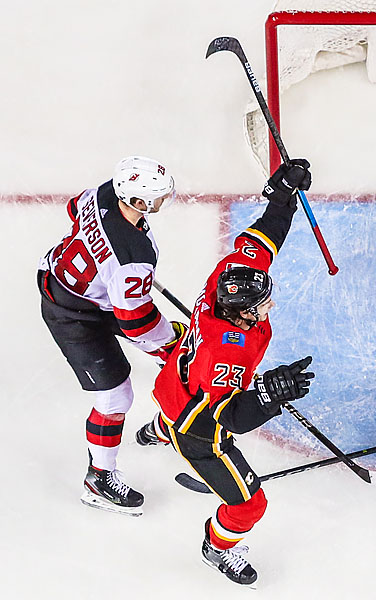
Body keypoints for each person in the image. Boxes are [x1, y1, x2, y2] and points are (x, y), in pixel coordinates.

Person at [136, 159, 315, 586]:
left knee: (181, 401)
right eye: (263, 305)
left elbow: (262, 241)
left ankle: (155, 432)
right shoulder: (225, 358)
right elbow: (225, 418)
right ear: (243, 314)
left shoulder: (229, 276)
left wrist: (282, 197)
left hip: (174, 386)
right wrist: (271, 396)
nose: (269, 305)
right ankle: (218, 547)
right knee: (249, 507)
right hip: (196, 428)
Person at [38, 155, 183, 516]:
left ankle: (164, 428)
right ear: (138, 202)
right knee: (116, 397)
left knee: (175, 352)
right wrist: (166, 338)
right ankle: (98, 479)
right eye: (159, 196)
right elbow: (135, 321)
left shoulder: (104, 192)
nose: (164, 201)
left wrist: (104, 261)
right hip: (73, 315)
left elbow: (75, 210)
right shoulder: (133, 255)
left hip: (84, 289)